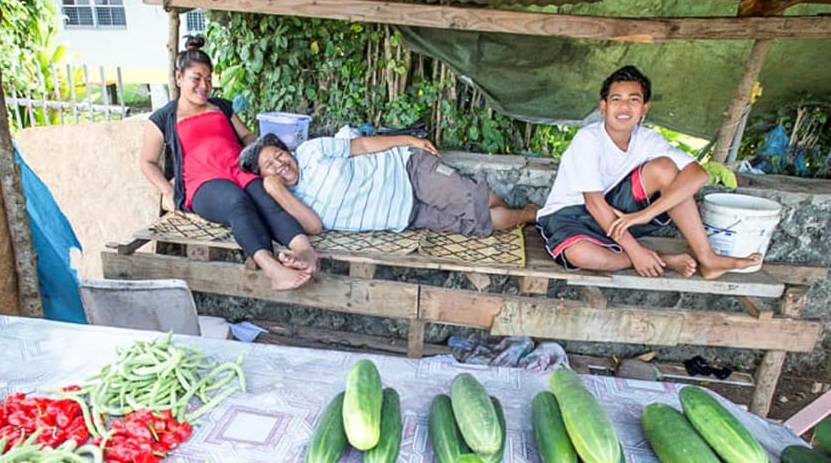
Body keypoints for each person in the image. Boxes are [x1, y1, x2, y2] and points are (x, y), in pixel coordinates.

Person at [536, 65, 762, 279]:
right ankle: (659, 259)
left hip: (618, 216)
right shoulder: (588, 139)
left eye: (633, 100)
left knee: (665, 169)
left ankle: (708, 258)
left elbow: (698, 174)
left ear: (644, 108)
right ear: (603, 107)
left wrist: (646, 214)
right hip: (570, 215)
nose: (624, 107)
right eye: (616, 99)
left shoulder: (648, 139)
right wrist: (636, 252)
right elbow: (594, 204)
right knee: (580, 255)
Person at [139, 37, 317, 290]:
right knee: (237, 201)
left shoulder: (222, 107)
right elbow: (147, 162)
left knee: (266, 197)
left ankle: (305, 251)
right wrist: (169, 192)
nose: (204, 85)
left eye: (209, 79)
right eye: (196, 78)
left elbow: (246, 136)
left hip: (238, 171)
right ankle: (271, 267)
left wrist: (258, 155)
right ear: (179, 78)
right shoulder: (163, 118)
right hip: (202, 184)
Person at [238, 132, 538, 236]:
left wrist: (410, 140)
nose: (281, 164)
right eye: (270, 166)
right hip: (406, 216)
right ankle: (528, 215)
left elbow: (365, 145)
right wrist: (276, 189)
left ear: (288, 150)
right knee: (483, 224)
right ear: (265, 177)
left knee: (481, 202)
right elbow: (314, 226)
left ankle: (533, 214)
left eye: (279, 154)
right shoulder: (287, 201)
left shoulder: (313, 151)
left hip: (407, 171)